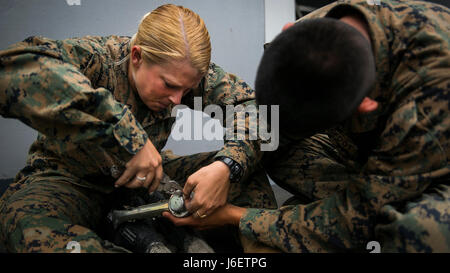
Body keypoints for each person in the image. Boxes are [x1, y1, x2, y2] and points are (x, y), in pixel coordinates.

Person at [165, 0, 450, 252]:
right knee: (270, 145)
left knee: (418, 230)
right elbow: (267, 122)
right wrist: (228, 166)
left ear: (366, 104)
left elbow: (357, 217)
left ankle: (307, 223)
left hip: (430, 169)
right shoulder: (317, 30)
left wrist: (237, 216)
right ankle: (304, 222)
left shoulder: (424, 109)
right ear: (288, 31)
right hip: (367, 155)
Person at [0, 4, 277, 252]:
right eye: (168, 85)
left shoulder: (181, 72)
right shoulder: (95, 59)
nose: (177, 99)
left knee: (246, 175)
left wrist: (227, 166)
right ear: (136, 56)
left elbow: (254, 108)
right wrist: (128, 135)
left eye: (187, 90)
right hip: (69, 180)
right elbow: (13, 71)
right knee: (26, 225)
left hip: (148, 180)